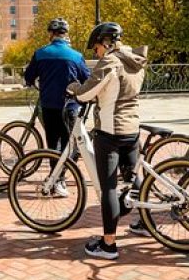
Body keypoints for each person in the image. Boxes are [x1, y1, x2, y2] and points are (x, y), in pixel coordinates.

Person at [67, 22, 146, 260]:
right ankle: (145, 222)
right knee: (133, 180)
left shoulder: (111, 62)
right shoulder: (135, 60)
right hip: (132, 128)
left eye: (96, 48)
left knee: (109, 189)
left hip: (111, 132)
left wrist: (73, 89)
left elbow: (86, 93)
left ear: (105, 42)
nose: (96, 53)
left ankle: (109, 244)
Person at [24, 18, 90, 196]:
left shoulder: (40, 53)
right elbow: (87, 80)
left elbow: (29, 76)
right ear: (65, 34)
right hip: (70, 107)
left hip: (49, 106)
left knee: (53, 145)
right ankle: (62, 179)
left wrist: (34, 80)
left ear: (50, 34)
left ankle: (55, 181)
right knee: (70, 145)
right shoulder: (76, 56)